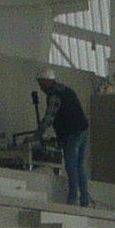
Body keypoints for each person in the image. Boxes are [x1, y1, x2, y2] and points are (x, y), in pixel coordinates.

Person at [38, 72, 90, 209]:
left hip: (72, 133)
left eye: (41, 83)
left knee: (71, 165)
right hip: (83, 129)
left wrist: (37, 135)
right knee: (80, 165)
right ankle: (84, 199)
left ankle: (73, 198)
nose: (40, 87)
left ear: (47, 81)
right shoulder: (67, 90)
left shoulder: (54, 95)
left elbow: (49, 118)